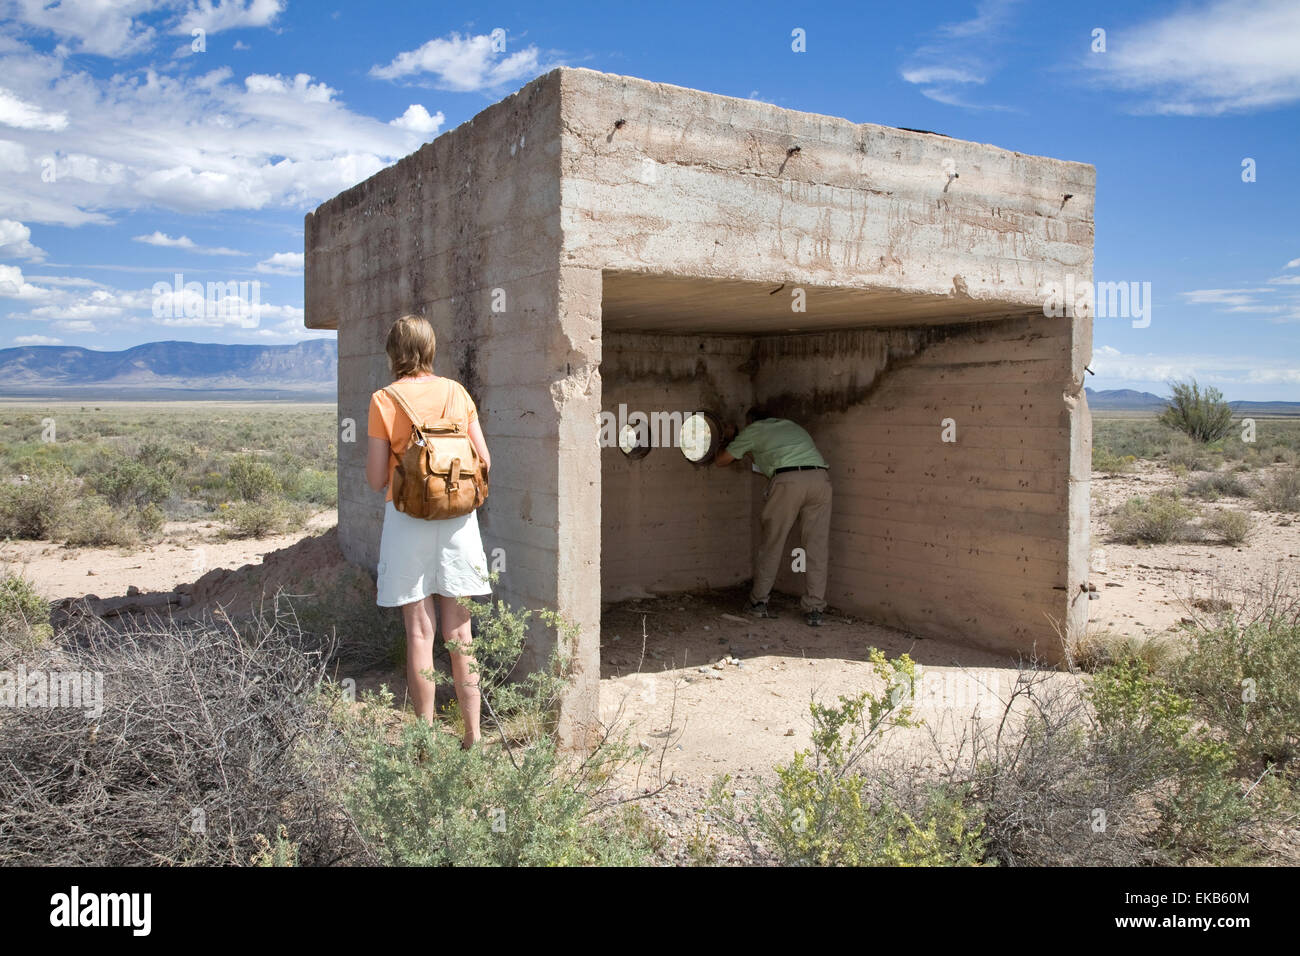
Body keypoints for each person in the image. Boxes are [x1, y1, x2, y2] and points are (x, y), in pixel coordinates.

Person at [365, 314, 492, 748]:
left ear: (393, 352)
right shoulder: (457, 393)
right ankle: (473, 736)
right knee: (460, 633)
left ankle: (425, 741)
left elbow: (376, 478)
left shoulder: (384, 399)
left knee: (419, 632)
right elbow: (485, 460)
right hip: (458, 519)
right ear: (431, 348)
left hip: (407, 520)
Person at [714, 406, 831, 626]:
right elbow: (765, 458)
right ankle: (815, 608)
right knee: (816, 546)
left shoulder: (754, 431)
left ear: (751, 422)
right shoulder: (791, 427)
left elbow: (722, 460)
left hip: (788, 481)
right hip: (820, 479)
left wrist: (727, 439)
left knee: (773, 543)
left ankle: (758, 603)